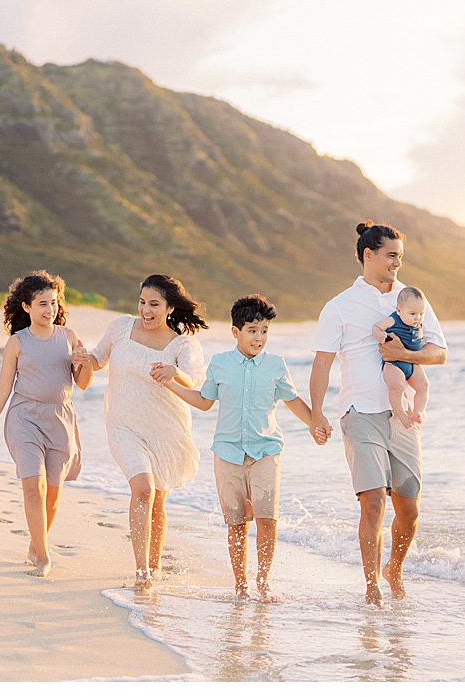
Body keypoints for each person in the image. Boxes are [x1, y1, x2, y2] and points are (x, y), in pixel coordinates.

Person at [152, 294, 331, 602]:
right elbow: (204, 402)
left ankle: (263, 582)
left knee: (267, 519)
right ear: (236, 332)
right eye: (252, 330)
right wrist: (170, 383)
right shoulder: (220, 364)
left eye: (263, 330)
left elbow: (292, 401)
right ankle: (241, 586)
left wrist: (316, 421)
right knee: (236, 525)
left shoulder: (276, 365)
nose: (259, 337)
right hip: (228, 454)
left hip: (265, 451)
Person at [309, 221, 448, 607]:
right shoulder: (339, 306)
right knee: (372, 501)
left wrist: (405, 355)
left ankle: (395, 569)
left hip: (401, 416)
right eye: (391, 256)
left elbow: (439, 353)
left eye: (400, 257)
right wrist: (316, 414)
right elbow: (321, 364)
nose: (396, 264)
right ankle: (372, 587)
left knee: (410, 508)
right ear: (368, 255)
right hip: (359, 414)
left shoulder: (412, 299)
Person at [73, 274, 207, 589]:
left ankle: (155, 566)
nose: (146, 310)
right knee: (143, 489)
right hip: (123, 425)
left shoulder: (182, 344)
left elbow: (195, 380)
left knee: (158, 500)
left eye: (154, 305)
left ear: (170, 308)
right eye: (142, 302)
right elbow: (97, 359)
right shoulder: (121, 327)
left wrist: (176, 373)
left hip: (165, 429)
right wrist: (83, 359)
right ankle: (141, 571)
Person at [0, 271, 91, 578]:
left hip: (60, 420)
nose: (49, 309)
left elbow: (83, 383)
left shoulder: (68, 337)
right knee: (33, 486)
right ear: (26, 307)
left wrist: (84, 362)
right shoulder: (17, 342)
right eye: (42, 304)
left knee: (53, 492)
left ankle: (35, 544)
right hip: (24, 418)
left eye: (52, 303)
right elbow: (3, 387)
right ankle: (44, 557)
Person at [374, 286, 431, 429]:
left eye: (421, 314)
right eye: (412, 314)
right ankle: (401, 415)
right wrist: (379, 334)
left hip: (412, 364)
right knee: (396, 387)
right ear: (399, 311)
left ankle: (418, 411)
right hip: (393, 364)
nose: (417, 318)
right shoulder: (393, 320)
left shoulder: (419, 324)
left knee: (424, 386)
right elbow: (376, 327)